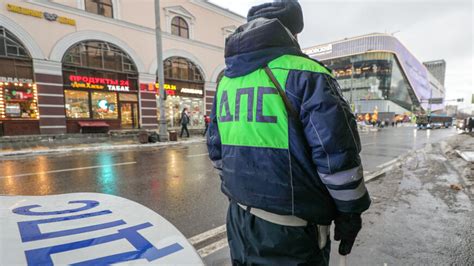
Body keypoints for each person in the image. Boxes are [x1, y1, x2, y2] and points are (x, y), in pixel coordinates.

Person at [207, 1, 370, 265]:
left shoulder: (227, 80)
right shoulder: (307, 74)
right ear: (292, 32)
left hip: (239, 219)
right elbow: (336, 158)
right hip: (292, 231)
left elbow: (216, 151)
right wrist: (351, 212)